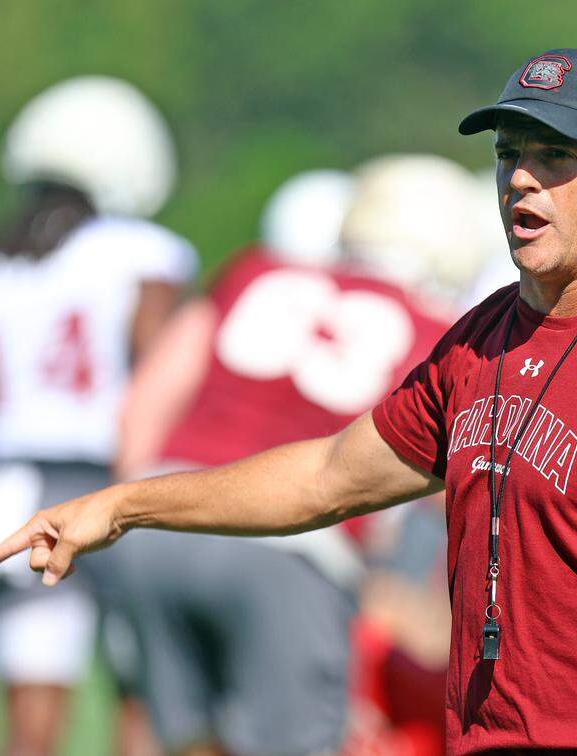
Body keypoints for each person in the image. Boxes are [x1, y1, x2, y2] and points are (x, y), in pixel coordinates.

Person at [0, 49, 577, 755]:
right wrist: (124, 506)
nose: (522, 178)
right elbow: (326, 477)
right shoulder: (481, 340)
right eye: (509, 154)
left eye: (557, 155)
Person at [111, 156, 474, 755]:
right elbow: (469, 487)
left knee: (186, 745)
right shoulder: (442, 332)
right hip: (288, 553)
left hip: (159, 526)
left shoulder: (256, 271)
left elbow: (139, 413)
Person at [0, 76, 197, 756]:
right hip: (121, 484)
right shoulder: (145, 254)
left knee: (29, 724)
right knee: (143, 705)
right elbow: (161, 378)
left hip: (14, 490)